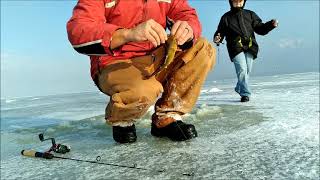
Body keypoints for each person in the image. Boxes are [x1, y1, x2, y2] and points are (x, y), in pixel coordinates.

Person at [67, 0, 216, 143]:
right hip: (115, 62)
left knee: (203, 48)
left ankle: (166, 116)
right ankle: (121, 119)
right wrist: (127, 34)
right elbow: (79, 30)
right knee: (143, 91)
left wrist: (188, 28)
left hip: (156, 57)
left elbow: (186, 14)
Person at [213, 0, 278, 102]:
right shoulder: (226, 17)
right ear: (231, 2)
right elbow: (220, 31)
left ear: (243, 2)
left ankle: (239, 87)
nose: (238, 3)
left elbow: (259, 28)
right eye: (235, 1)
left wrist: (270, 25)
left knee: (247, 70)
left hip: (250, 46)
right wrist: (217, 38)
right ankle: (245, 94)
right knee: (242, 70)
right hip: (235, 47)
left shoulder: (250, 14)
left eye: (240, 1)